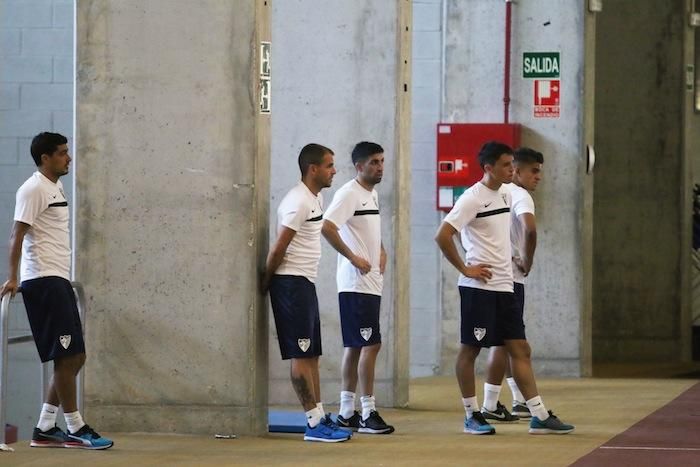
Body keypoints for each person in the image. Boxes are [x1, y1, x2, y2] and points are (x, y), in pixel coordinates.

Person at [434, 141, 573, 435]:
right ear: (488, 168)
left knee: (519, 348)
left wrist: (519, 258)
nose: (512, 170)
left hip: (505, 287)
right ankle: (472, 414)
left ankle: (538, 414)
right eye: (507, 165)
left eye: (513, 165)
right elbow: (444, 235)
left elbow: (522, 229)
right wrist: (466, 267)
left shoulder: (510, 193)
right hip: (478, 288)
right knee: (470, 350)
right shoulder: (472, 198)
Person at [0, 132, 113, 449]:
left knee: (76, 358)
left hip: (59, 279)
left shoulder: (54, 186)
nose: (69, 157)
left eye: (68, 151)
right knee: (67, 356)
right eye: (62, 153)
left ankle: (46, 426)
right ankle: (76, 427)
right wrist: (12, 277)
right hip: (43, 281)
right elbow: (16, 235)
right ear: (45, 158)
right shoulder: (33, 188)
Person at [261, 143, 350, 443]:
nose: (334, 170)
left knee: (311, 353)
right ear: (313, 169)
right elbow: (278, 248)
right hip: (290, 284)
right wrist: (267, 282)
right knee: (301, 354)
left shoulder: (316, 197)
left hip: (304, 283)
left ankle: (321, 416)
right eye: (329, 165)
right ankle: (313, 424)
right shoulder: (297, 202)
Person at [322, 142, 394, 434]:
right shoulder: (349, 193)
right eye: (374, 162)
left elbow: (367, 230)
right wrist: (353, 257)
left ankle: (346, 412)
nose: (380, 167)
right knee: (370, 344)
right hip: (356, 284)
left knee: (355, 346)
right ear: (359, 167)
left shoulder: (371, 194)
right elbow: (327, 226)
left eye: (382, 161)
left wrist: (381, 249)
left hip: (370, 283)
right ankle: (368, 412)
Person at [481, 147, 543, 422]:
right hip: (509, 280)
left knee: (504, 344)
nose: (538, 176)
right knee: (513, 346)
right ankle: (496, 405)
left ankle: (509, 401)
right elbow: (530, 229)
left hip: (498, 278)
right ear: (516, 171)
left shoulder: (499, 194)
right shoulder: (520, 196)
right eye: (534, 171)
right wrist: (527, 261)